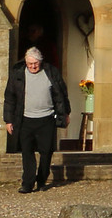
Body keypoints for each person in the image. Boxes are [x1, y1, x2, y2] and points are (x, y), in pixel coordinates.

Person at [4, 46, 71, 193]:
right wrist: (8, 121)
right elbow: (10, 98)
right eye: (30, 64)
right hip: (25, 119)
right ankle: (27, 184)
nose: (33, 66)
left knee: (46, 152)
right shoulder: (17, 74)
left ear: (40, 62)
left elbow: (61, 94)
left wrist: (65, 113)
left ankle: (41, 180)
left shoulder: (51, 72)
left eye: (35, 63)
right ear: (26, 63)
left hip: (46, 119)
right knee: (27, 152)